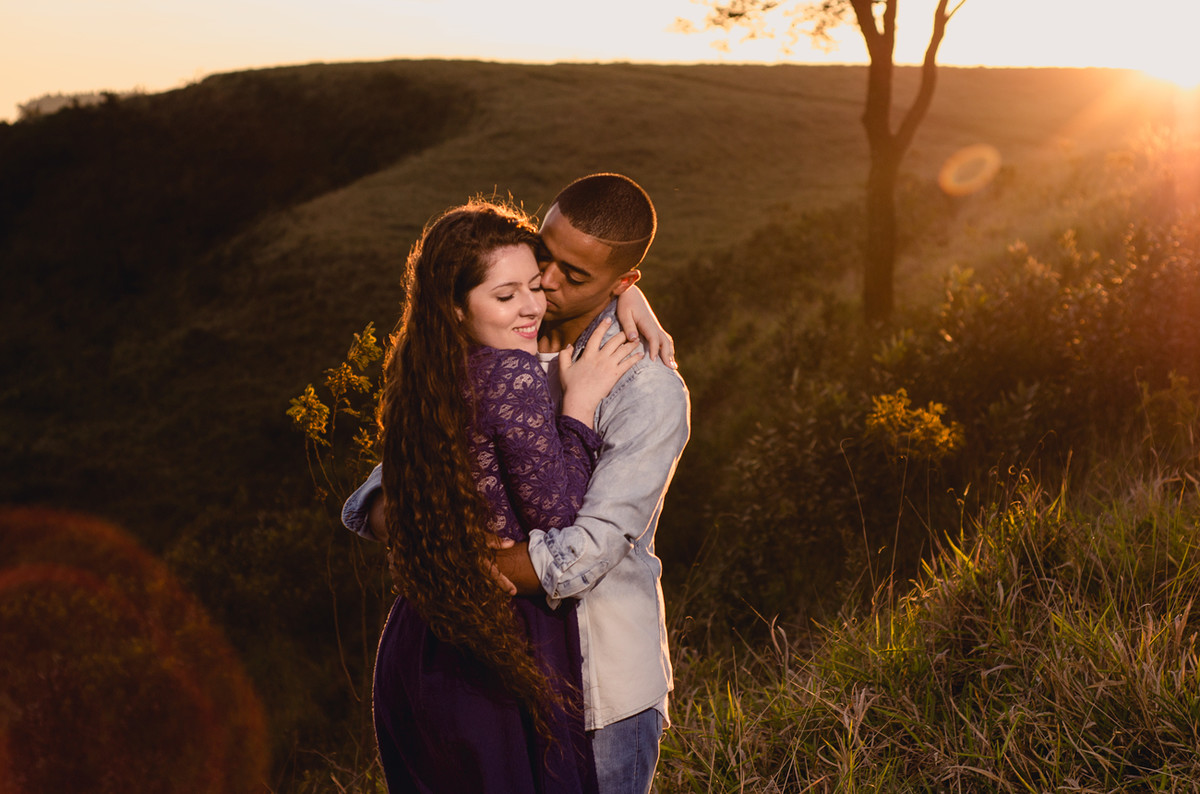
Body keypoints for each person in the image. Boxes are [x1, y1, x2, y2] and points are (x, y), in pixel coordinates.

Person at [346, 174, 690, 794]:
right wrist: (425, 534)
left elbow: (585, 551)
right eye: (542, 256)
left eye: (574, 276)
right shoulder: (485, 342)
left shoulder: (646, 389)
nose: (548, 285)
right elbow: (387, 488)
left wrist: (458, 557)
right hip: (475, 669)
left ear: (622, 284)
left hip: (599, 687)